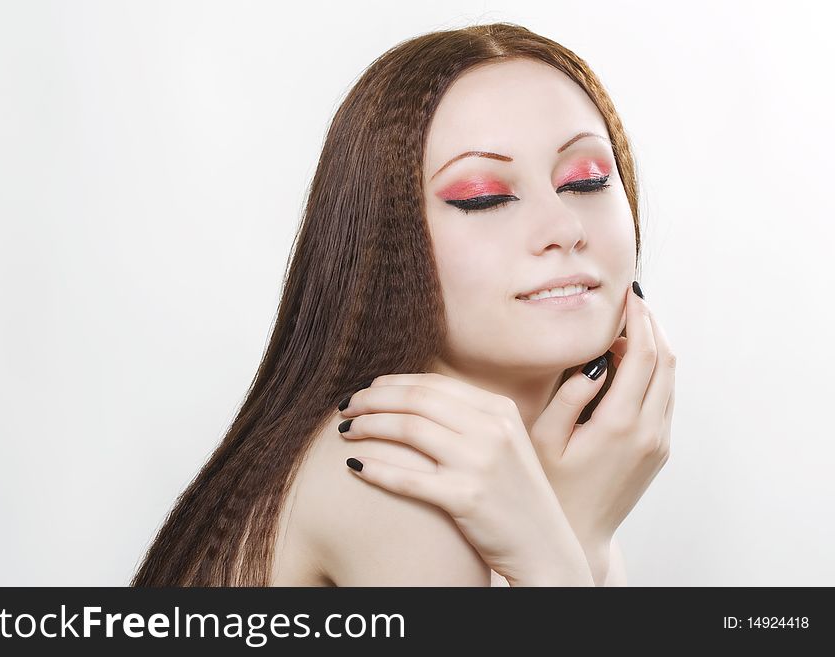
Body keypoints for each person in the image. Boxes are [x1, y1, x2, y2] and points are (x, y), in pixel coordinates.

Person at [131, 22, 676, 588]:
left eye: (585, 181)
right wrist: (565, 556)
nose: (563, 228)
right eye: (484, 197)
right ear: (386, 242)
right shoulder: (394, 480)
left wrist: (576, 538)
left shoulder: (529, 492)